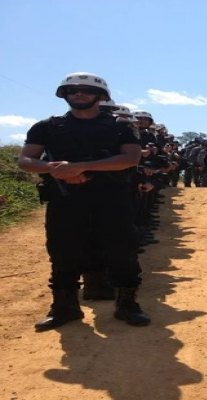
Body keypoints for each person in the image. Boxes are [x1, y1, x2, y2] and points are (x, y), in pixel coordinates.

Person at [17, 72, 150, 331]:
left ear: (100, 95)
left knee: (122, 250)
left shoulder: (120, 126)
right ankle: (64, 307)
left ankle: (127, 304)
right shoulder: (47, 126)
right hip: (65, 201)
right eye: (73, 89)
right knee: (62, 252)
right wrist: (54, 169)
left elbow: (130, 158)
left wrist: (80, 167)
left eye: (86, 89)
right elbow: (26, 160)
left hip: (112, 199)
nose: (79, 93)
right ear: (64, 94)